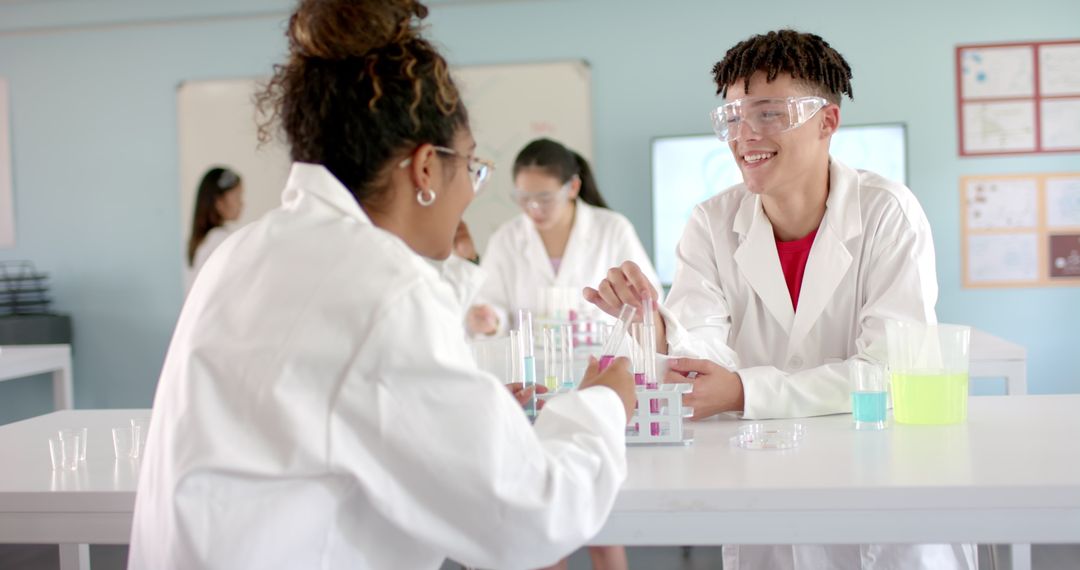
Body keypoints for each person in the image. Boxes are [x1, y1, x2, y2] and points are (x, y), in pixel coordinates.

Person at [128, 2, 637, 569]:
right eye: (472, 167)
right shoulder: (381, 286)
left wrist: (468, 410)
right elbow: (529, 519)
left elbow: (336, 408)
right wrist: (602, 406)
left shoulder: (243, 251)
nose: (470, 192)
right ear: (426, 169)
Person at [584, 29, 975, 570]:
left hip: (876, 484)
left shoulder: (888, 213)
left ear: (827, 122)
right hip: (762, 481)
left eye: (769, 113)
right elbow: (705, 351)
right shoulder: (710, 223)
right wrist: (658, 332)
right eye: (732, 117)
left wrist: (745, 391)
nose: (744, 135)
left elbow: (888, 370)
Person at [466, 137, 661, 337]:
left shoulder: (613, 229)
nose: (534, 208)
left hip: (603, 354)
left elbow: (650, 301)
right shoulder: (506, 238)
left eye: (545, 198)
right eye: (524, 198)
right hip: (532, 355)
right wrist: (491, 321)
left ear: (573, 187)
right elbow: (492, 304)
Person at [186, 166, 244, 289]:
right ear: (219, 202)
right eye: (237, 197)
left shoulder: (205, 240)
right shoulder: (220, 239)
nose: (242, 203)